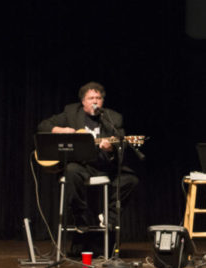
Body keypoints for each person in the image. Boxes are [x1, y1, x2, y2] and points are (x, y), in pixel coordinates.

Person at [37, 81, 138, 231]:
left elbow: (120, 144)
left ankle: (109, 217)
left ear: (102, 101)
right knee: (71, 171)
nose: (95, 101)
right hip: (81, 165)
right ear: (83, 102)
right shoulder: (71, 113)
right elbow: (43, 126)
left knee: (131, 180)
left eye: (98, 98)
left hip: (104, 165)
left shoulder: (113, 118)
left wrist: (110, 149)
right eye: (91, 98)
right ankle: (80, 217)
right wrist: (61, 130)